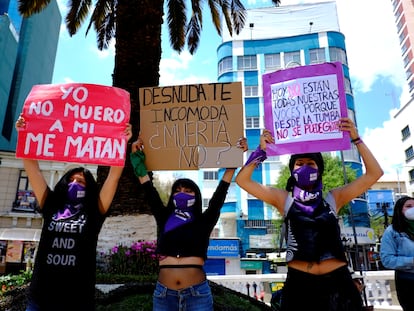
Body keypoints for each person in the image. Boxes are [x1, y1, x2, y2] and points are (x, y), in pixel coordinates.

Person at [235, 117, 383, 311]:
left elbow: (374, 173)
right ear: (291, 170)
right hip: (300, 287)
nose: (305, 167)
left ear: (320, 170)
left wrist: (357, 139)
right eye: (299, 163)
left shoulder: (333, 198)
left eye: (311, 163)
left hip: (338, 285)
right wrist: (262, 151)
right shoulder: (284, 200)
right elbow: (243, 181)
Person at [15, 115, 132, 311]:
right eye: (72, 180)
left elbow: (114, 176)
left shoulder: (95, 210)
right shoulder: (50, 203)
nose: (75, 184)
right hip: (41, 297)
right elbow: (31, 167)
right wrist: (24, 134)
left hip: (77, 299)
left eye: (81, 182)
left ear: (89, 189)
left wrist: (121, 142)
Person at [130, 135, 248, 311]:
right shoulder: (163, 216)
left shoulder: (205, 220)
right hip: (164, 296)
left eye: (188, 191)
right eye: (177, 191)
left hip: (197, 296)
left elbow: (221, 192)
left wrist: (233, 160)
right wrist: (136, 156)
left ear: (197, 196)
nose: (182, 194)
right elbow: (148, 188)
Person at [380, 196, 414, 311]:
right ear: (400, 210)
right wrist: (411, 261)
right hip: (408, 282)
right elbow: (387, 260)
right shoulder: (392, 231)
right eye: (408, 206)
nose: (412, 209)